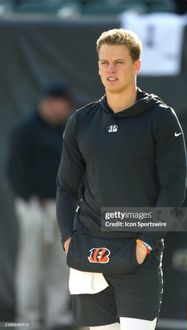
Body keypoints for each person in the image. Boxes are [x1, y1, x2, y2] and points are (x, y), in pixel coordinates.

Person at [56, 29, 187, 330]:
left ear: (136, 65)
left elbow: (173, 191)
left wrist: (146, 243)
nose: (110, 69)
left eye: (118, 62)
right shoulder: (81, 121)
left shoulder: (161, 118)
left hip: (136, 255)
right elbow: (65, 187)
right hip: (88, 250)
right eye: (104, 62)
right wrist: (67, 238)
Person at [7, 83, 75, 330]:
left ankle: (56, 315)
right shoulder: (25, 130)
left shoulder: (67, 132)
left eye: (66, 106)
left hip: (62, 205)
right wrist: (27, 199)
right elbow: (14, 168)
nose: (62, 110)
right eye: (59, 104)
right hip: (34, 204)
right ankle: (28, 317)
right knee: (31, 262)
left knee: (61, 261)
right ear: (48, 102)